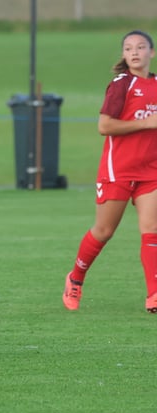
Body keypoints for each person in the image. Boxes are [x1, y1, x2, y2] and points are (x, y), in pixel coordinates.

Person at [63, 30, 157, 313]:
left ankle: (154, 295)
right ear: (124, 55)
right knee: (104, 231)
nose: (135, 52)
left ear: (151, 52)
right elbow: (104, 126)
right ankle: (76, 278)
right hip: (118, 170)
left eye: (141, 47)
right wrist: (147, 123)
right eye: (129, 48)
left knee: (151, 229)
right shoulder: (121, 84)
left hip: (150, 171)